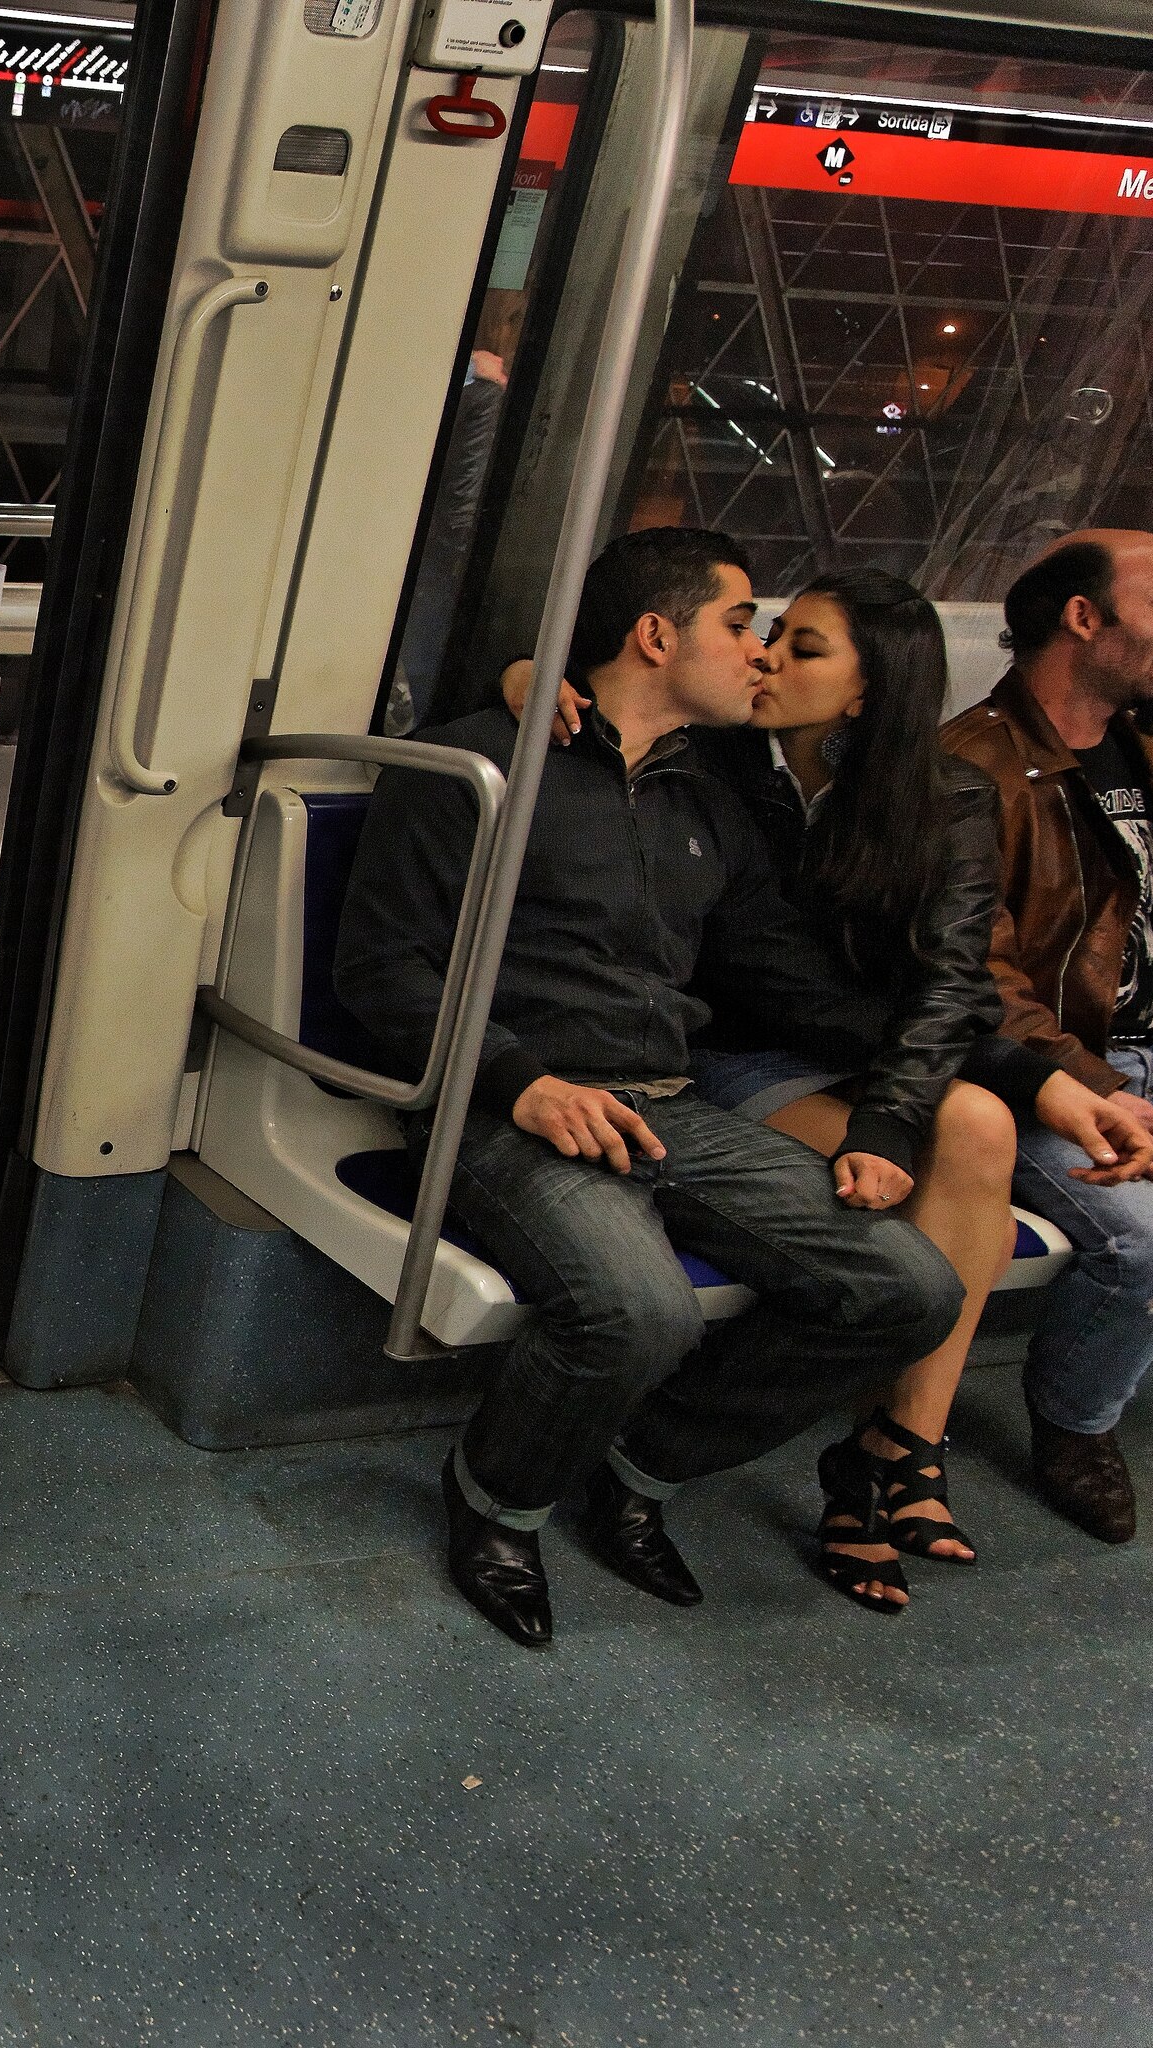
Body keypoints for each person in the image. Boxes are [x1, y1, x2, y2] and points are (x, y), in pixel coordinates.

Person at [339, 527, 965, 1650]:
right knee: (637, 1310)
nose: (761, 655)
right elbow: (384, 967)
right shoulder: (480, 770)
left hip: (666, 1101)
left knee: (908, 1283)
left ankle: (643, 1464)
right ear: (655, 633)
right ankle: (499, 1499)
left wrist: (957, 1084)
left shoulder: (706, 800)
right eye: (742, 626)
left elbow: (782, 975)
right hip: (505, 1101)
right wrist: (521, 1082)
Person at [504, 570, 1153, 1607]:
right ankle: (876, 1470)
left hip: (868, 1050)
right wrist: (529, 674)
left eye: (803, 648)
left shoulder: (939, 796)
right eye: (764, 633)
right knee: (964, 1187)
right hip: (743, 1049)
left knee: (981, 1127)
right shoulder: (718, 764)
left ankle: (892, 1449)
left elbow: (951, 984)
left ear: (867, 692)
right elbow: (765, 974)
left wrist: (1036, 1084)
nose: (765, 656)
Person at [941, 529, 1153, 1544]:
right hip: (1064, 1067)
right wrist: (1087, 1082)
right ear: (1087, 619)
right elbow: (977, 980)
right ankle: (1078, 1421)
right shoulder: (970, 769)